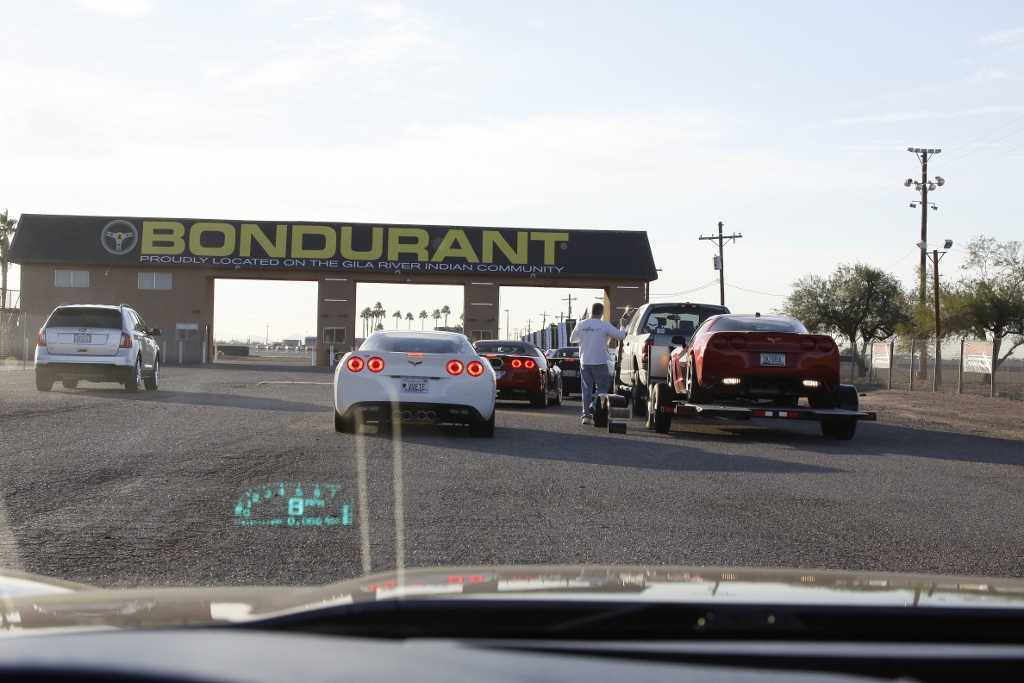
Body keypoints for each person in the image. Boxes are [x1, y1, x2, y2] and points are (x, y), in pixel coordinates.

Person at [569, 302, 627, 425]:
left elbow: (572, 339)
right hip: (599, 361)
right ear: (602, 312)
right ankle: (595, 404)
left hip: (585, 361)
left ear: (591, 311)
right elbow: (621, 336)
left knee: (586, 388)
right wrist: (623, 326)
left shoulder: (581, 324)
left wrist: (584, 337)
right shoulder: (605, 325)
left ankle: (585, 416)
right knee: (602, 387)